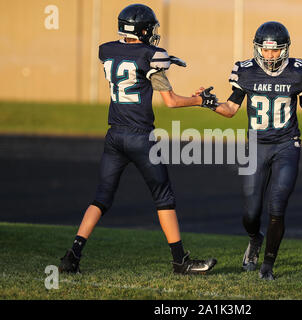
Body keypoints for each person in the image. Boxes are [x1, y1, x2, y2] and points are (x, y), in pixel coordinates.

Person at [59, 4, 219, 275]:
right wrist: (200, 101)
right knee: (163, 196)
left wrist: (160, 61)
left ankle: (72, 255)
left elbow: (130, 56)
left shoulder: (107, 50)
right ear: (143, 30)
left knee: (101, 197)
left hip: (114, 136)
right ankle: (180, 260)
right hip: (140, 137)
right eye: (150, 29)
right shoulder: (152, 56)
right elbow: (170, 102)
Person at [197, 21, 302, 280]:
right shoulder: (246, 72)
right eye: (266, 50)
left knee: (277, 204)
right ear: (257, 48)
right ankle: (254, 239)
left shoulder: (299, 71)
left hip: (287, 144)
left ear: (285, 50)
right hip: (257, 145)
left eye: (275, 50)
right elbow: (230, 109)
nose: (270, 55)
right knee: (250, 213)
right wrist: (208, 103)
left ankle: (267, 266)